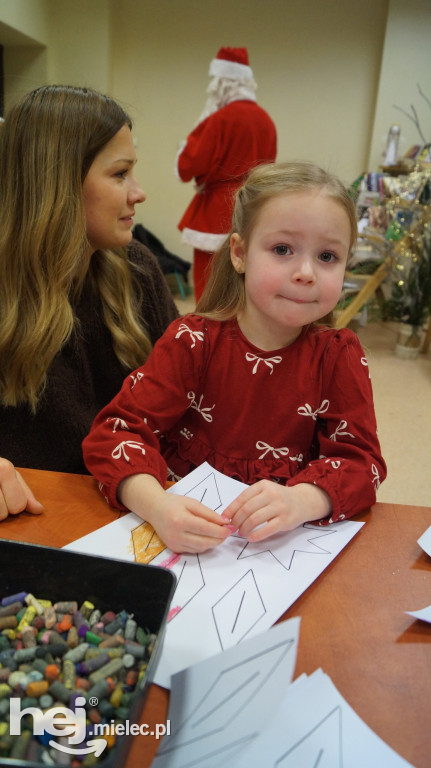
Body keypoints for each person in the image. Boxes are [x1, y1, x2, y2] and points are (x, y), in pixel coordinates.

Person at [83, 160, 387, 554]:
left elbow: (362, 464)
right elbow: (115, 434)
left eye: (328, 257)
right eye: (282, 249)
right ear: (240, 254)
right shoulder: (191, 341)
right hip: (181, 541)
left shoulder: (338, 356)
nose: (307, 272)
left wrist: (301, 500)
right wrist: (157, 506)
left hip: (280, 550)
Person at [0, 84, 178, 521]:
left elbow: (189, 402)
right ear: (57, 184)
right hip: (38, 521)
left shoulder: (137, 269)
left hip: (138, 513)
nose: (139, 193)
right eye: (120, 175)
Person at [176, 46, 277, 300]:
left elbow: (188, 166)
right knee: (245, 283)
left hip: (216, 210)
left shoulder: (219, 120)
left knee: (208, 283)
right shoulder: (266, 121)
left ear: (221, 83)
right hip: (255, 205)